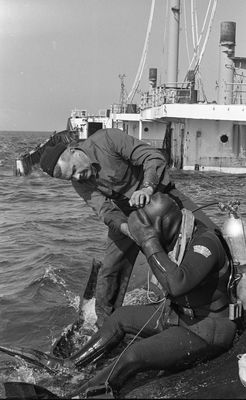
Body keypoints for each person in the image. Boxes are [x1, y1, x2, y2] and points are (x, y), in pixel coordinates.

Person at [0, 193, 236, 399]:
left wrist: (149, 240)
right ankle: (71, 364)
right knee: (121, 317)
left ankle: (80, 394)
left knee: (134, 355)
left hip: (206, 329)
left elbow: (176, 284)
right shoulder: (177, 237)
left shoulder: (205, 242)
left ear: (165, 225)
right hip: (176, 315)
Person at [39, 128, 218, 327]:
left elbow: (153, 157)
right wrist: (129, 230)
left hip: (161, 195)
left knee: (212, 234)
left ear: (74, 150)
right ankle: (106, 326)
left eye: (74, 170)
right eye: (71, 178)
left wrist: (146, 188)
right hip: (129, 215)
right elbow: (105, 211)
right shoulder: (80, 183)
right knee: (110, 270)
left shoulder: (107, 140)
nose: (78, 178)